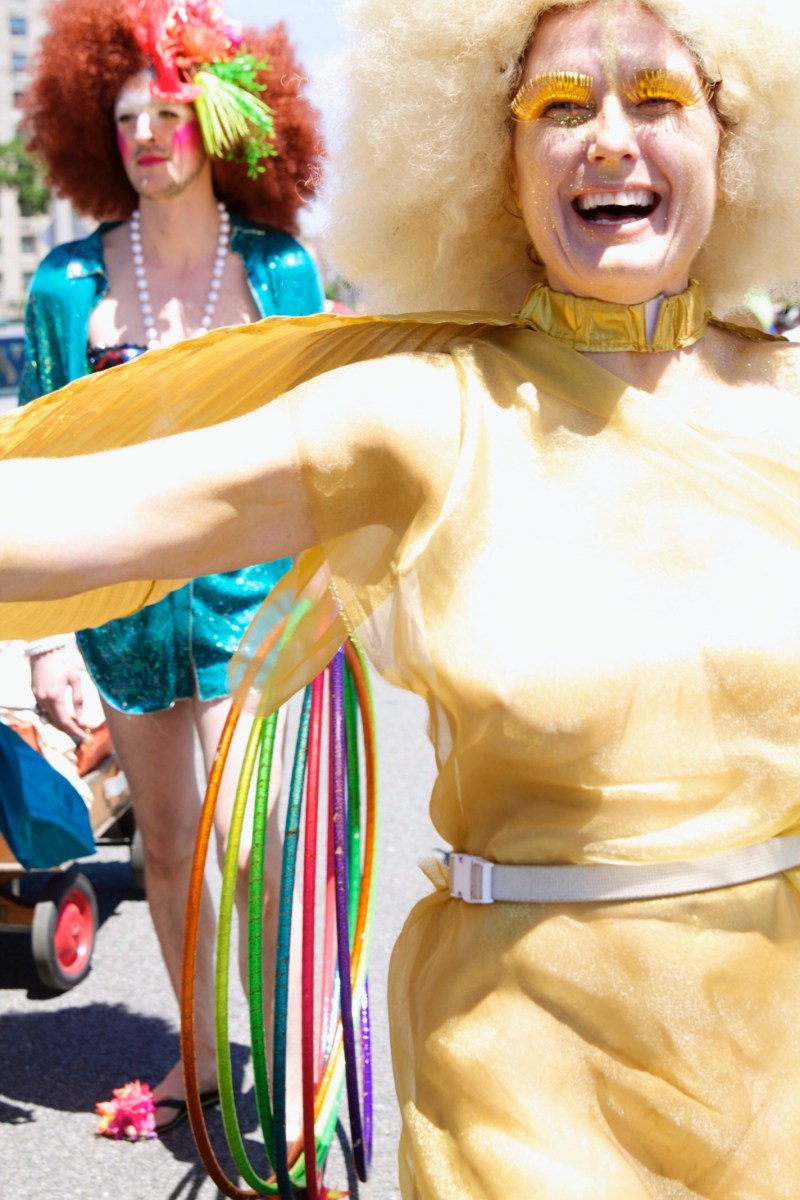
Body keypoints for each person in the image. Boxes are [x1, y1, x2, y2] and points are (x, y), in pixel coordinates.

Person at [2, 0, 800, 1192]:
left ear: (730, 140)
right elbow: (83, 518)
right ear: (494, 165)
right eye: (560, 107)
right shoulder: (424, 411)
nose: (609, 139)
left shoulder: (786, 405)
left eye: (656, 98)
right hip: (528, 1101)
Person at [17, 0, 323, 1132]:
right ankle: (198, 1054)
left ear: (225, 120)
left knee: (255, 841)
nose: (147, 134)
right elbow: (36, 468)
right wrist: (45, 638)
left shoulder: (278, 269)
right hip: (125, 610)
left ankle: (288, 1058)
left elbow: (323, 448)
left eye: (170, 112)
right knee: (167, 840)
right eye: (126, 118)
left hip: (255, 598)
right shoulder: (66, 285)